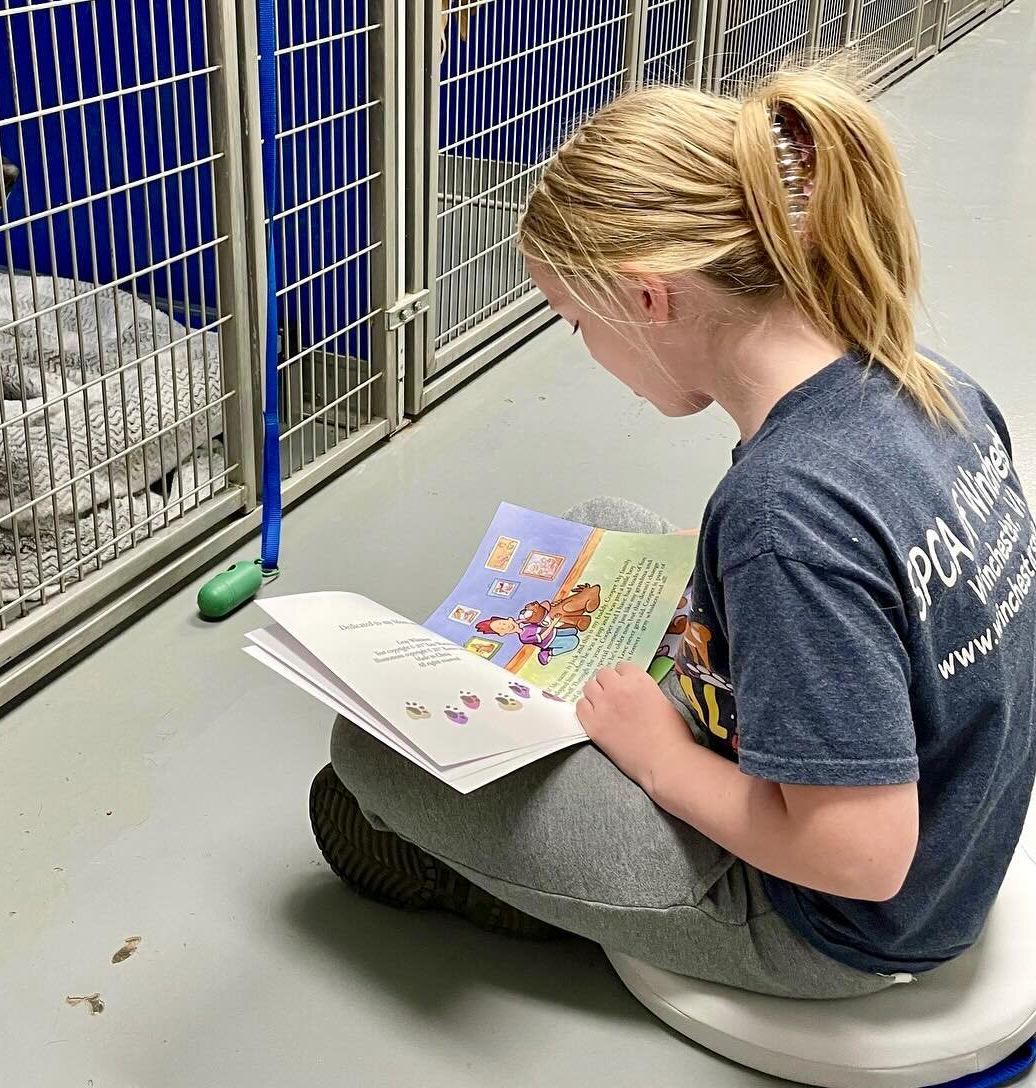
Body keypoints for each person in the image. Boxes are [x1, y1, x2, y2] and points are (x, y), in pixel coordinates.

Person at [310, 66, 1036, 999]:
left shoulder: (786, 512)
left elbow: (860, 859)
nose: (587, 352)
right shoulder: (923, 378)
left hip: (825, 920)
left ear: (648, 298)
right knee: (608, 528)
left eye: (578, 324)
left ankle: (516, 894)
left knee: (364, 763)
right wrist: (757, 588)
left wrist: (658, 756)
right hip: (955, 813)